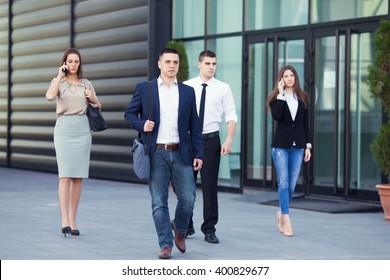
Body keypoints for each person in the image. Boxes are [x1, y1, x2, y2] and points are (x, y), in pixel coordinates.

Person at [124, 48, 204, 259]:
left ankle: (179, 230)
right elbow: (129, 114)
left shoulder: (187, 92)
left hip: (181, 153)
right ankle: (165, 244)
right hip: (156, 153)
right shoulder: (145, 89)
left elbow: (195, 127)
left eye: (175, 62)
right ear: (159, 64)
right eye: (167, 61)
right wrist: (143, 124)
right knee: (159, 202)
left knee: (188, 199)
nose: (171, 66)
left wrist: (199, 154)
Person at [46, 48, 102, 237]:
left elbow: (98, 105)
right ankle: (63, 219)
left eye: (76, 61)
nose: (73, 64)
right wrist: (58, 75)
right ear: (65, 63)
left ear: (79, 64)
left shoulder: (86, 83)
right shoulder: (59, 82)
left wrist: (92, 97)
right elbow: (49, 95)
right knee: (65, 176)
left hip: (82, 129)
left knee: (78, 176)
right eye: (70, 61)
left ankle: (73, 219)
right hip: (63, 129)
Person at [184, 50, 238, 244]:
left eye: (214, 64)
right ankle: (186, 225)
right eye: (207, 63)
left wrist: (229, 139)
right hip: (189, 141)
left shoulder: (223, 88)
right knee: (187, 186)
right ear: (199, 65)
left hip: (210, 141)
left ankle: (209, 229)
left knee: (209, 187)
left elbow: (231, 116)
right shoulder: (187, 86)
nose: (211, 67)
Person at [266, 65, 311, 237]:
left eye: (292, 75)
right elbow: (277, 116)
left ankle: (281, 213)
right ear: (281, 79)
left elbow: (305, 124)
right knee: (283, 183)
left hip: (298, 146)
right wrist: (280, 94)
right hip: (281, 146)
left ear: (295, 77)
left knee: (291, 185)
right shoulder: (275, 99)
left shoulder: (303, 97)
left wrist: (308, 146)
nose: (290, 78)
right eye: (286, 76)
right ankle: (287, 218)